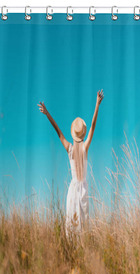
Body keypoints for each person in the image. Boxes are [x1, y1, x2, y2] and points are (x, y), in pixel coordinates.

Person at [37, 89, 104, 237]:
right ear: (83, 133)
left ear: (73, 134)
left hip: (73, 189)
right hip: (83, 188)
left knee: (72, 225)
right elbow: (93, 126)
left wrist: (47, 113)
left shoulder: (70, 149)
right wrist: (97, 105)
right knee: (84, 224)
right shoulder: (85, 148)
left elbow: (58, 131)